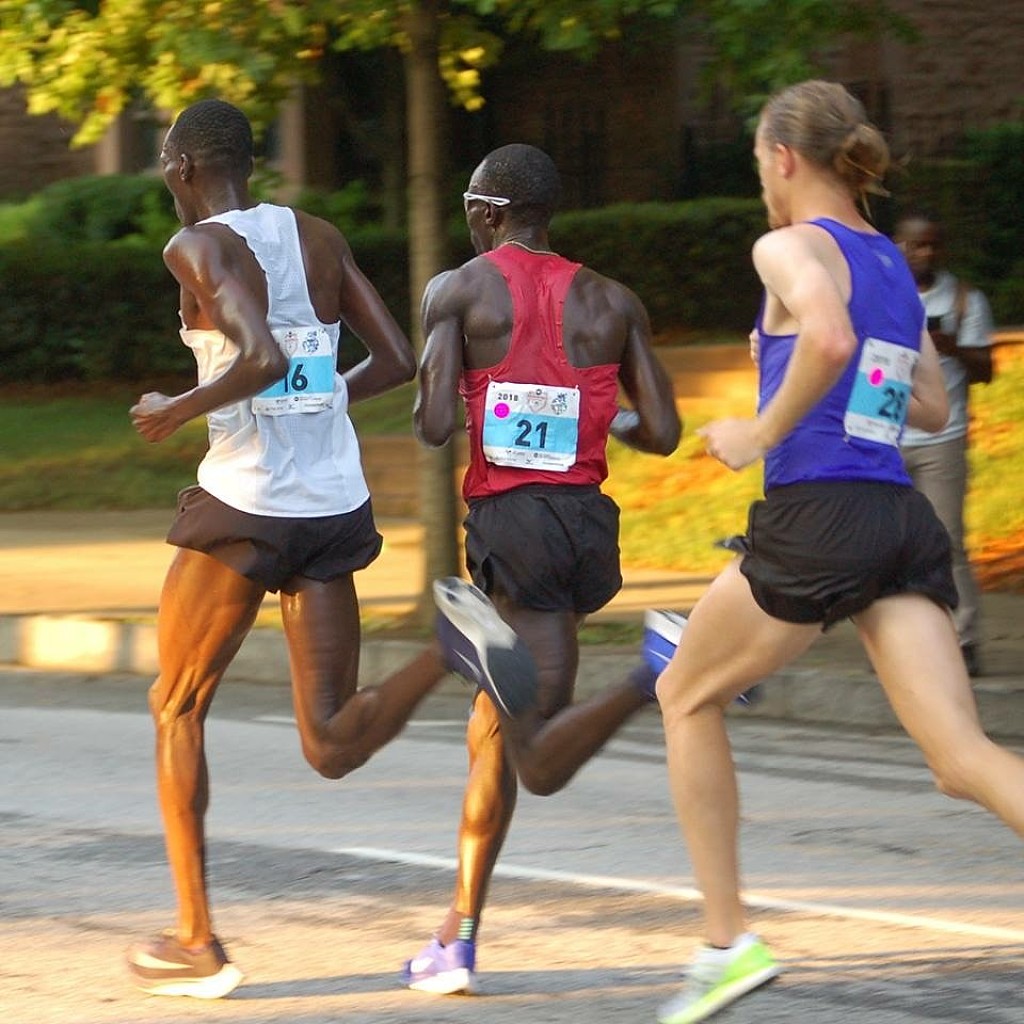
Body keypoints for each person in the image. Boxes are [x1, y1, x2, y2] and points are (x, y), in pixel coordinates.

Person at [646, 80, 1024, 1024]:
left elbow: (825, 334)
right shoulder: (890, 260)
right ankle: (724, 944)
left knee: (684, 693)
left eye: (757, 163)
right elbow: (927, 405)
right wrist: (819, 379)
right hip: (896, 521)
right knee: (962, 757)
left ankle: (726, 944)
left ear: (782, 158)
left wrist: (762, 429)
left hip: (819, 516)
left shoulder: (787, 246)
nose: (760, 182)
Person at [125, 97, 450, 999]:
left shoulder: (195, 246)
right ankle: (450, 651)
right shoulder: (318, 236)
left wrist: (175, 410)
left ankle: (197, 941)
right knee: (333, 741)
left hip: (247, 502)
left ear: (184, 166)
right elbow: (397, 360)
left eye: (166, 164)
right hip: (332, 504)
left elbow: (262, 358)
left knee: (175, 705)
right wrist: (330, 395)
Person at [403, 142, 681, 994]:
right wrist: (601, 419)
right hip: (583, 526)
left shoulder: (459, 290)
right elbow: (663, 431)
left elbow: (433, 426)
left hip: (513, 526)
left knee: (537, 758)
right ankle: (458, 937)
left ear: (488, 213)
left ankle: (654, 669)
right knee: (491, 733)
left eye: (469, 212)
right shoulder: (613, 300)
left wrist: (450, 367)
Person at [895, 213, 994, 677]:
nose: (925, 253)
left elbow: (986, 370)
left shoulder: (964, 299)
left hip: (943, 439)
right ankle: (900, 642)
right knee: (890, 542)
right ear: (897, 246)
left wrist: (951, 346)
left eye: (933, 245)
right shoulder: (881, 296)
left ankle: (963, 638)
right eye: (916, 245)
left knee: (947, 540)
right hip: (886, 436)